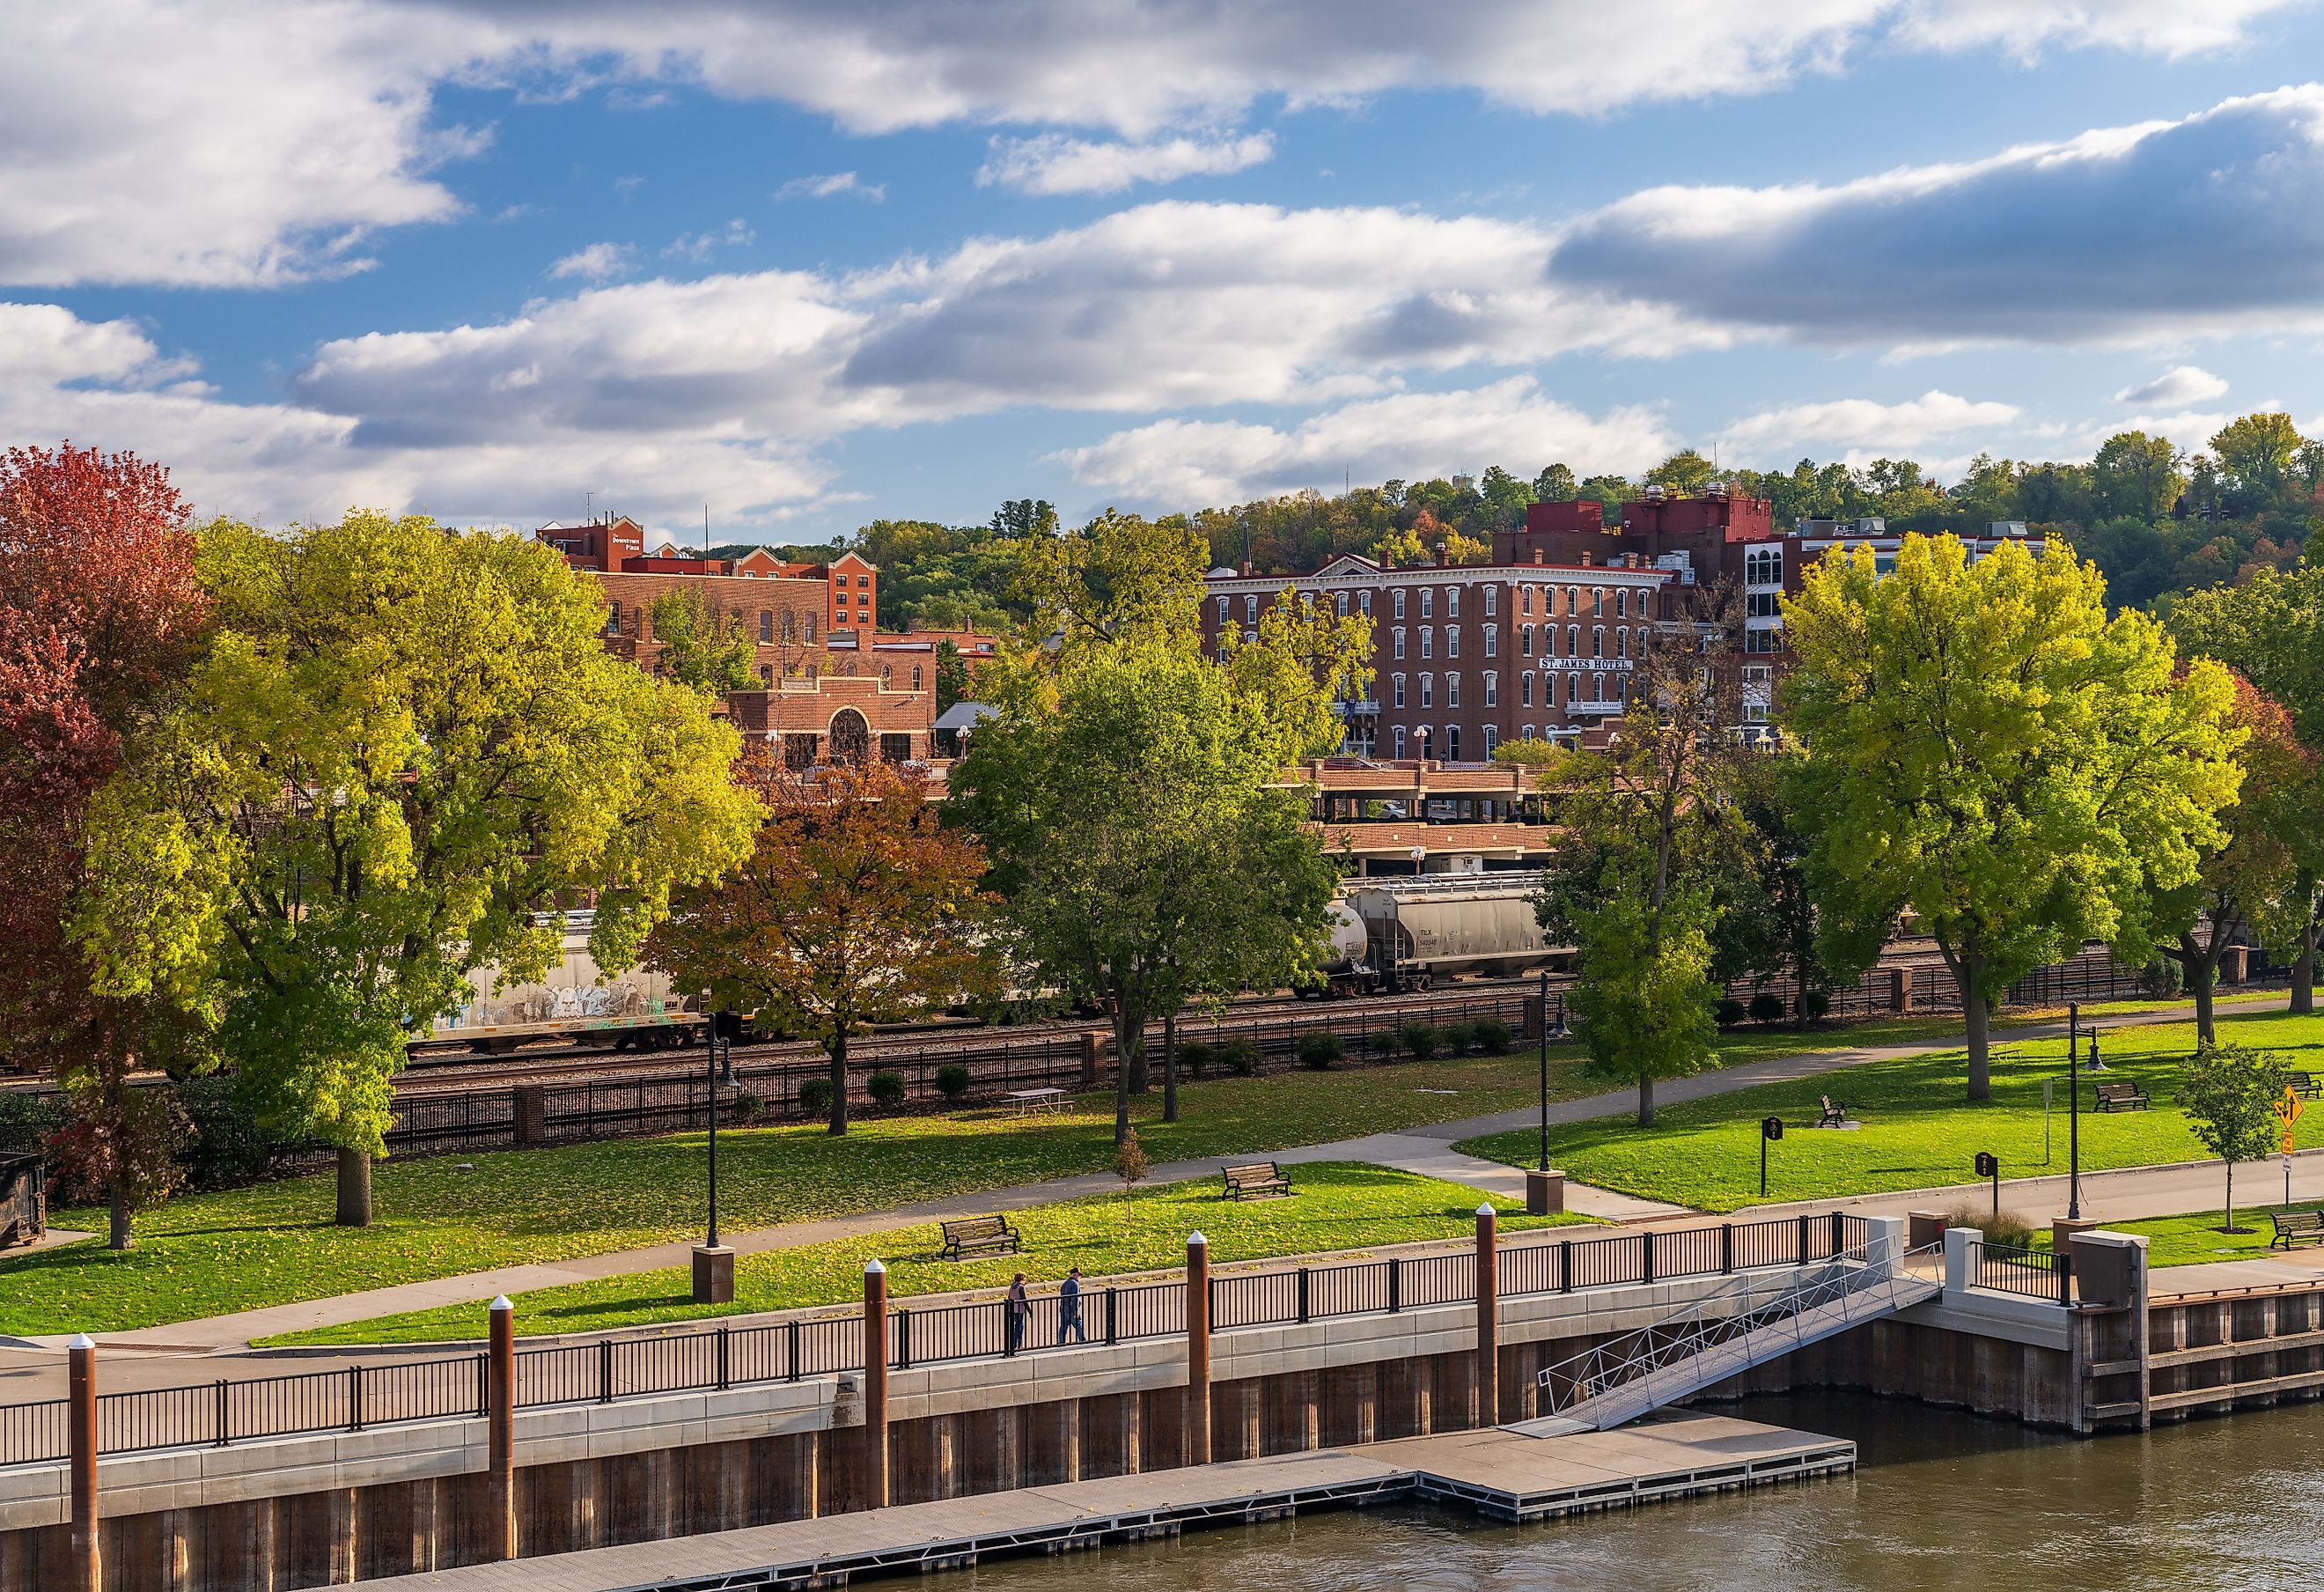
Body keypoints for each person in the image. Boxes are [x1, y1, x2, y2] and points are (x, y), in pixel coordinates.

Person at [1057, 1264, 1085, 1344]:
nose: (1079, 1277)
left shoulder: (1065, 1283)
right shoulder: (1075, 1284)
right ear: (1075, 1275)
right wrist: (1076, 1311)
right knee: (1079, 1326)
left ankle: (1061, 1343)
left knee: (1063, 1327)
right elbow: (1075, 1298)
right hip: (1071, 1309)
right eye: (1079, 1275)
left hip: (1063, 1308)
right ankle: (1083, 1341)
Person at [1005, 1272, 1030, 1353]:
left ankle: (1015, 1344)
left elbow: (1009, 1298)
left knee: (1016, 1326)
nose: (1025, 1281)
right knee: (1020, 1327)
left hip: (1013, 1309)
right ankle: (1018, 1344)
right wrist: (1029, 1310)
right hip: (1020, 1309)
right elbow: (1024, 1299)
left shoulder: (1012, 1286)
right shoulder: (1021, 1287)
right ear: (1022, 1279)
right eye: (1025, 1279)